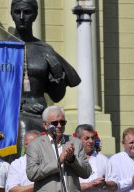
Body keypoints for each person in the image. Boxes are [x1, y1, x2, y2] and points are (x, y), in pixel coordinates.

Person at [10, 0, 81, 153]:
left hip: (41, 114)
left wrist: (57, 74)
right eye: (17, 12)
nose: (21, 17)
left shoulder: (44, 49)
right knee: (22, 126)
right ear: (12, 14)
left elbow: (57, 96)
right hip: (14, 113)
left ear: (35, 15)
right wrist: (20, 105)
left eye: (27, 12)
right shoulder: (4, 47)